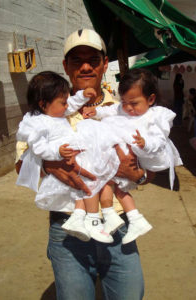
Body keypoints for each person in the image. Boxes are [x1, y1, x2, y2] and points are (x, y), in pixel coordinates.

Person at [16, 29, 151, 300]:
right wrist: (47, 164)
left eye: (93, 59)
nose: (86, 66)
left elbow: (149, 164)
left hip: (119, 224)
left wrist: (139, 175)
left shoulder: (125, 107)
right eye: (77, 60)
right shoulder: (45, 113)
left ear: (104, 63)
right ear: (66, 66)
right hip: (68, 228)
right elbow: (21, 164)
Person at [83, 68, 182, 242]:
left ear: (151, 99)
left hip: (145, 154)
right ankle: (134, 219)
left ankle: (115, 217)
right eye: (124, 101)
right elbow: (112, 110)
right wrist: (97, 112)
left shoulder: (156, 117)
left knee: (114, 185)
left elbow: (160, 140)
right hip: (128, 154)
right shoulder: (122, 107)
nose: (127, 108)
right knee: (116, 188)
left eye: (134, 103)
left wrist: (145, 143)